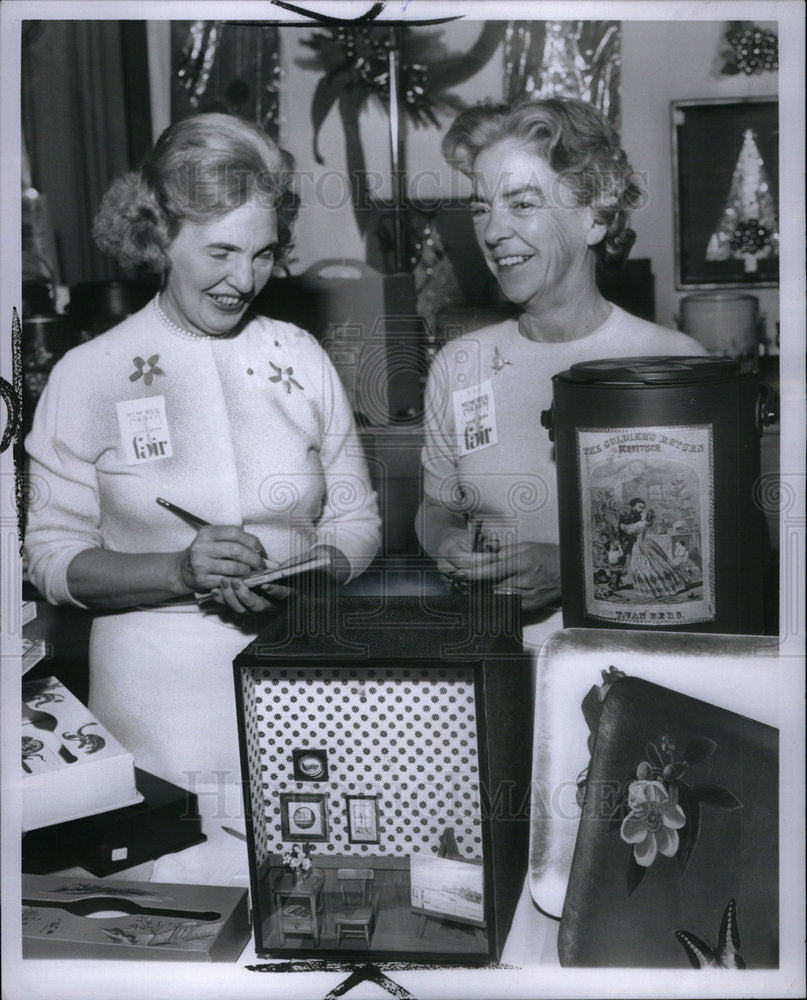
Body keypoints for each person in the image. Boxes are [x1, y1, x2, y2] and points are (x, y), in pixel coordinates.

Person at [25, 113, 381, 801]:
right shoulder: (88, 372)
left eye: (263, 254)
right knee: (181, 892)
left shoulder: (300, 359)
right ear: (161, 233)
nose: (244, 281)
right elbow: (50, 559)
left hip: (300, 677)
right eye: (220, 254)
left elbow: (356, 521)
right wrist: (180, 569)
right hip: (156, 703)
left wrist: (311, 571)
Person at [417, 97, 707, 613]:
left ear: (594, 217)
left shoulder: (674, 364)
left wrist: (572, 571)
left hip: (628, 663)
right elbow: (437, 505)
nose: (491, 231)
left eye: (523, 204)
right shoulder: (459, 365)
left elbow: (702, 559)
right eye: (482, 207)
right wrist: (445, 541)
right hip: (491, 651)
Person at [618, 498, 689, 601]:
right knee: (653, 564)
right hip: (647, 543)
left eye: (643, 512)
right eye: (641, 509)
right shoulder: (645, 523)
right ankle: (661, 587)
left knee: (644, 567)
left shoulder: (640, 524)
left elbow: (628, 530)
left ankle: (653, 590)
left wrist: (620, 524)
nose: (642, 512)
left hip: (640, 545)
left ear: (645, 516)